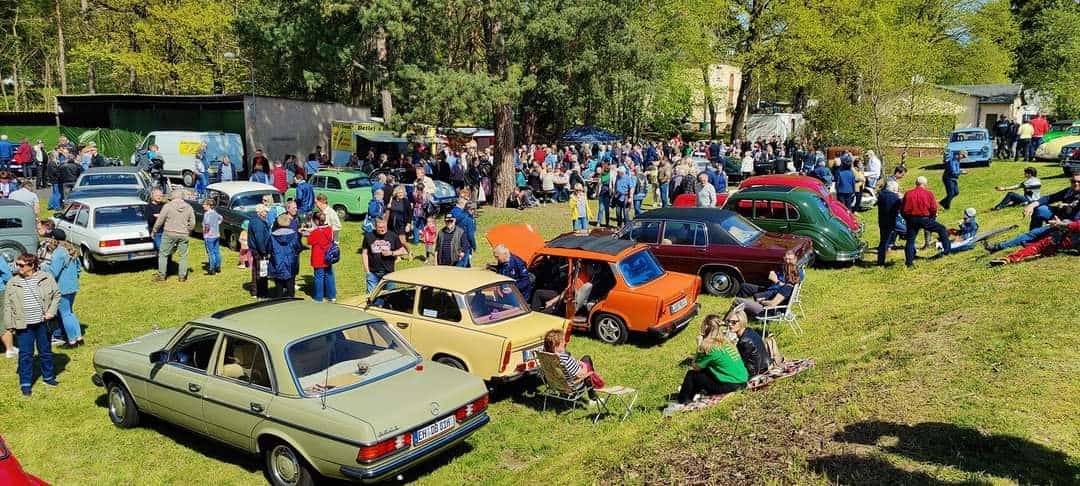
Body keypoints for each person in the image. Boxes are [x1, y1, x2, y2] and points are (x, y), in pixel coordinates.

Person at [5, 254, 61, 396]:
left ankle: (48, 377)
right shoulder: (12, 282)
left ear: (32, 265)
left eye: (21, 265)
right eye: (17, 264)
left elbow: (56, 295)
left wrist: (51, 312)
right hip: (23, 325)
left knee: (45, 351)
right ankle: (25, 383)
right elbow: (7, 305)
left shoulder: (46, 277)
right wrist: (9, 325)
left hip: (43, 323)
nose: (18, 267)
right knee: (25, 354)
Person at [668, 314, 748, 411]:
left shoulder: (710, 347)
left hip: (732, 385)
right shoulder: (726, 341)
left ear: (706, 328)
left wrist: (699, 346)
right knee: (704, 371)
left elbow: (695, 366)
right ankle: (690, 395)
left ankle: (682, 401)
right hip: (743, 380)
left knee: (692, 375)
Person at [984, 172, 1080, 252]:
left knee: (1034, 233)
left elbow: (1076, 220)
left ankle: (999, 246)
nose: (1076, 184)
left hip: (1070, 226)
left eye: (1079, 182)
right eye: (1073, 181)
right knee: (1040, 209)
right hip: (1062, 217)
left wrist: (1061, 219)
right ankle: (1035, 237)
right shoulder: (1069, 191)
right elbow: (1049, 198)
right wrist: (1032, 205)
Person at [901, 176, 950, 267]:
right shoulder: (928, 194)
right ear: (925, 184)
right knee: (942, 229)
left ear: (916, 183)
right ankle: (947, 251)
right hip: (924, 218)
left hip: (911, 219)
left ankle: (909, 263)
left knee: (910, 241)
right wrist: (931, 218)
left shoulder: (908, 193)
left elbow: (903, 209)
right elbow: (933, 208)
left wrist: (907, 218)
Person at [990, 217, 1078, 267]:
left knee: (1040, 245)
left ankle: (1010, 258)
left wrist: (1058, 224)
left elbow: (1073, 226)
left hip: (1069, 240)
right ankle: (1045, 250)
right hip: (1072, 244)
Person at [542, 328, 603, 401]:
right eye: (562, 341)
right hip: (573, 386)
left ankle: (593, 392)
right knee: (587, 361)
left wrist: (575, 363)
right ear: (556, 345)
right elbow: (581, 374)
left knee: (585, 358)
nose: (565, 343)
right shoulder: (564, 358)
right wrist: (584, 366)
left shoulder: (545, 356)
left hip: (555, 384)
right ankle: (593, 396)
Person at [44, 232, 82, 348]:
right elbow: (78, 269)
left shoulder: (58, 253)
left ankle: (72, 341)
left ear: (53, 239)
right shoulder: (71, 250)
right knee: (70, 312)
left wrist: (44, 267)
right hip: (73, 286)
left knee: (65, 314)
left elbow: (53, 272)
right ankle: (79, 338)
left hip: (62, 288)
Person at [735, 253, 801, 318]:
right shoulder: (785, 273)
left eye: (790, 259)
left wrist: (761, 301)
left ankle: (737, 314)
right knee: (744, 286)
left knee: (739, 300)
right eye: (786, 259)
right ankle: (739, 312)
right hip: (770, 291)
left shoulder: (788, 286)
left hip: (767, 308)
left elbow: (772, 304)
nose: (787, 261)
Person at [152, 189, 196, 281]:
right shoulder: (189, 207)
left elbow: (160, 220)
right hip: (183, 233)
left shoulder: (168, 206)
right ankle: (182, 276)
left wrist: (154, 230)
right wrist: (189, 230)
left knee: (163, 254)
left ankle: (162, 275)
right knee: (183, 255)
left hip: (169, 233)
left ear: (173, 197)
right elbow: (193, 223)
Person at [724, 304, 770, 377]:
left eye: (734, 322)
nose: (729, 324)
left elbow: (738, 362)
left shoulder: (744, 341)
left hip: (755, 373)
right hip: (764, 366)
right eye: (728, 321)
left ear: (742, 321)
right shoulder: (749, 331)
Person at [362, 219, 406, 294]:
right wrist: (367, 271)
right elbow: (364, 253)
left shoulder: (393, 236)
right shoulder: (368, 236)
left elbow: (403, 251)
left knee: (390, 295)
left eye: (384, 227)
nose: (382, 229)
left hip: (389, 273)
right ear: (375, 227)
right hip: (373, 273)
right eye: (380, 227)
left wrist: (391, 253)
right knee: (371, 296)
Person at [306, 211, 337, 302]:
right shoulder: (329, 229)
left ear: (316, 221)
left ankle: (318, 297)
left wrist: (309, 232)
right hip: (328, 256)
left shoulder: (316, 232)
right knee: (329, 275)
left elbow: (309, 241)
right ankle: (331, 295)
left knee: (319, 277)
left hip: (318, 257)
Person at [269, 214, 302, 298]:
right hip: (290, 262)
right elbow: (298, 247)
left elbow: (268, 248)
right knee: (290, 283)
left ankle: (279, 298)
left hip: (277, 261)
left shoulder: (272, 235)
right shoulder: (295, 235)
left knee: (278, 284)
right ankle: (290, 298)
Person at [876, 179, 903, 265]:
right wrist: (900, 199)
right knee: (908, 233)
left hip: (882, 220)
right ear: (894, 188)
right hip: (891, 220)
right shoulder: (893, 197)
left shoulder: (881, 195)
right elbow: (899, 208)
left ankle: (880, 260)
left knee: (883, 241)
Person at [248, 205, 273, 298]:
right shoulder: (258, 223)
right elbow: (259, 239)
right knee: (262, 272)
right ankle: (262, 293)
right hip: (260, 251)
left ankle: (255, 291)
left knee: (256, 270)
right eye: (265, 212)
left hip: (257, 250)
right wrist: (264, 252)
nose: (267, 213)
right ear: (260, 212)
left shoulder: (257, 220)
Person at [387, 185, 413, 258]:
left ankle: (410, 252)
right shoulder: (393, 200)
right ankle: (398, 257)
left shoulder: (406, 201)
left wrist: (408, 224)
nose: (401, 194)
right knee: (394, 241)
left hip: (401, 224)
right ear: (396, 193)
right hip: (392, 224)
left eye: (402, 192)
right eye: (399, 193)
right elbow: (388, 209)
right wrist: (389, 204)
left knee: (402, 241)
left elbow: (410, 213)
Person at [449, 198, 477, 267]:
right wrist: (474, 245)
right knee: (461, 265)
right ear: (470, 209)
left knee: (465, 263)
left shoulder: (458, 217)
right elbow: (470, 235)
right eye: (473, 209)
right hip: (466, 244)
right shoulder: (469, 220)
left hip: (456, 242)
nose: (474, 211)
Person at [202, 199, 223, 275]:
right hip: (216, 235)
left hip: (209, 236)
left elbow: (207, 225)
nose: (203, 206)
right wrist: (217, 224)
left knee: (211, 253)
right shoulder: (215, 213)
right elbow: (221, 218)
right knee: (217, 252)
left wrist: (205, 234)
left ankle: (212, 269)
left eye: (204, 204)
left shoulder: (207, 214)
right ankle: (218, 267)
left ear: (208, 206)